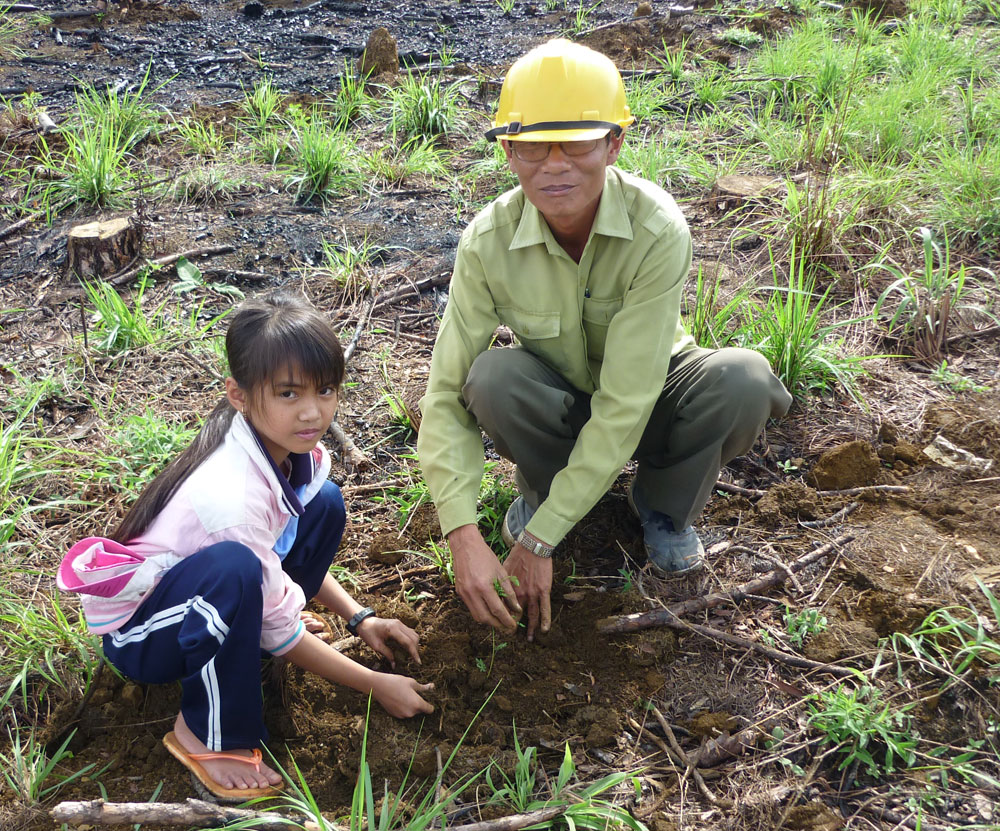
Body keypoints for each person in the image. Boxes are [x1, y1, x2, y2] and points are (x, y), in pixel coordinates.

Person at [417, 39, 792, 643]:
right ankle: (547, 492)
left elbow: (627, 401)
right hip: (560, 401)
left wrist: (538, 543)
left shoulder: (655, 227)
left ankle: (664, 508)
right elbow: (443, 392)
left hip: (650, 395)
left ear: (615, 144)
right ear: (508, 151)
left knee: (742, 380)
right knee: (490, 377)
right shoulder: (487, 242)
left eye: (579, 143)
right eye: (534, 147)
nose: (555, 164)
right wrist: (460, 532)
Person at [58, 291, 434, 803]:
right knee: (232, 571)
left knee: (323, 502)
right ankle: (209, 733)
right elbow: (253, 577)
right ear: (238, 394)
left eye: (325, 391)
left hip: (201, 594)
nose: (312, 412)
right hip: (142, 635)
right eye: (288, 394)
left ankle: (241, 638)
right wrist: (374, 684)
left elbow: (271, 559)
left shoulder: (284, 454)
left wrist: (359, 617)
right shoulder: (229, 497)